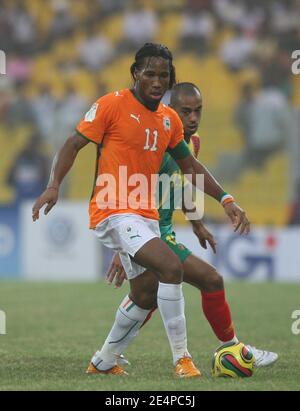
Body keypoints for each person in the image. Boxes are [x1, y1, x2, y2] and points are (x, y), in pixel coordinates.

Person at [32, 43, 250, 378]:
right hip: (113, 208)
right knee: (170, 267)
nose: (157, 81)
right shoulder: (111, 104)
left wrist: (227, 200)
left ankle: (103, 362)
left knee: (146, 293)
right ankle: (183, 359)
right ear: (136, 73)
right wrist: (53, 185)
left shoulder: (168, 121)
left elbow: (189, 166)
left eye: (164, 75)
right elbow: (73, 144)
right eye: (150, 73)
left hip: (144, 216)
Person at [106, 82, 278, 369]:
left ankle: (107, 357)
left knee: (146, 296)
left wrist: (196, 222)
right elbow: (130, 192)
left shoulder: (191, 142)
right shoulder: (154, 144)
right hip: (148, 233)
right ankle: (232, 349)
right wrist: (125, 245)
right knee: (210, 280)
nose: (193, 118)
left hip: (161, 232)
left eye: (198, 110)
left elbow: (181, 181)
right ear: (169, 111)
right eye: (185, 111)